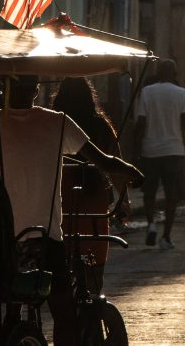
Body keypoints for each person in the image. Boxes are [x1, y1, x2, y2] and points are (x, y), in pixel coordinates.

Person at [0, 75, 141, 346]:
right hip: (46, 237)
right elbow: (104, 161)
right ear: (36, 88)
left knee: (12, 305)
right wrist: (130, 171)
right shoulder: (57, 123)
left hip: (4, 236)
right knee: (63, 311)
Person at [51, 76, 124, 289]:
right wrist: (124, 201)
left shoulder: (54, 124)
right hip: (94, 199)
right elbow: (116, 166)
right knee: (94, 268)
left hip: (61, 198)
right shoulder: (101, 125)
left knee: (62, 262)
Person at [134, 59, 185, 250]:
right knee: (171, 195)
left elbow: (140, 123)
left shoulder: (147, 92)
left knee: (149, 192)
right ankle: (166, 236)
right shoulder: (182, 93)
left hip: (150, 150)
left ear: (158, 73)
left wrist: (136, 147)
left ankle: (151, 224)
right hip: (174, 150)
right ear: (174, 73)